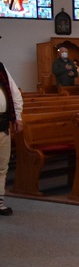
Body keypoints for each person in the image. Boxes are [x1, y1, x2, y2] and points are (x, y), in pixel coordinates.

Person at [0, 56, 22, 215]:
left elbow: (14, 92)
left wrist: (18, 117)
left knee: (2, 167)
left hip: (2, 124)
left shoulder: (1, 68)